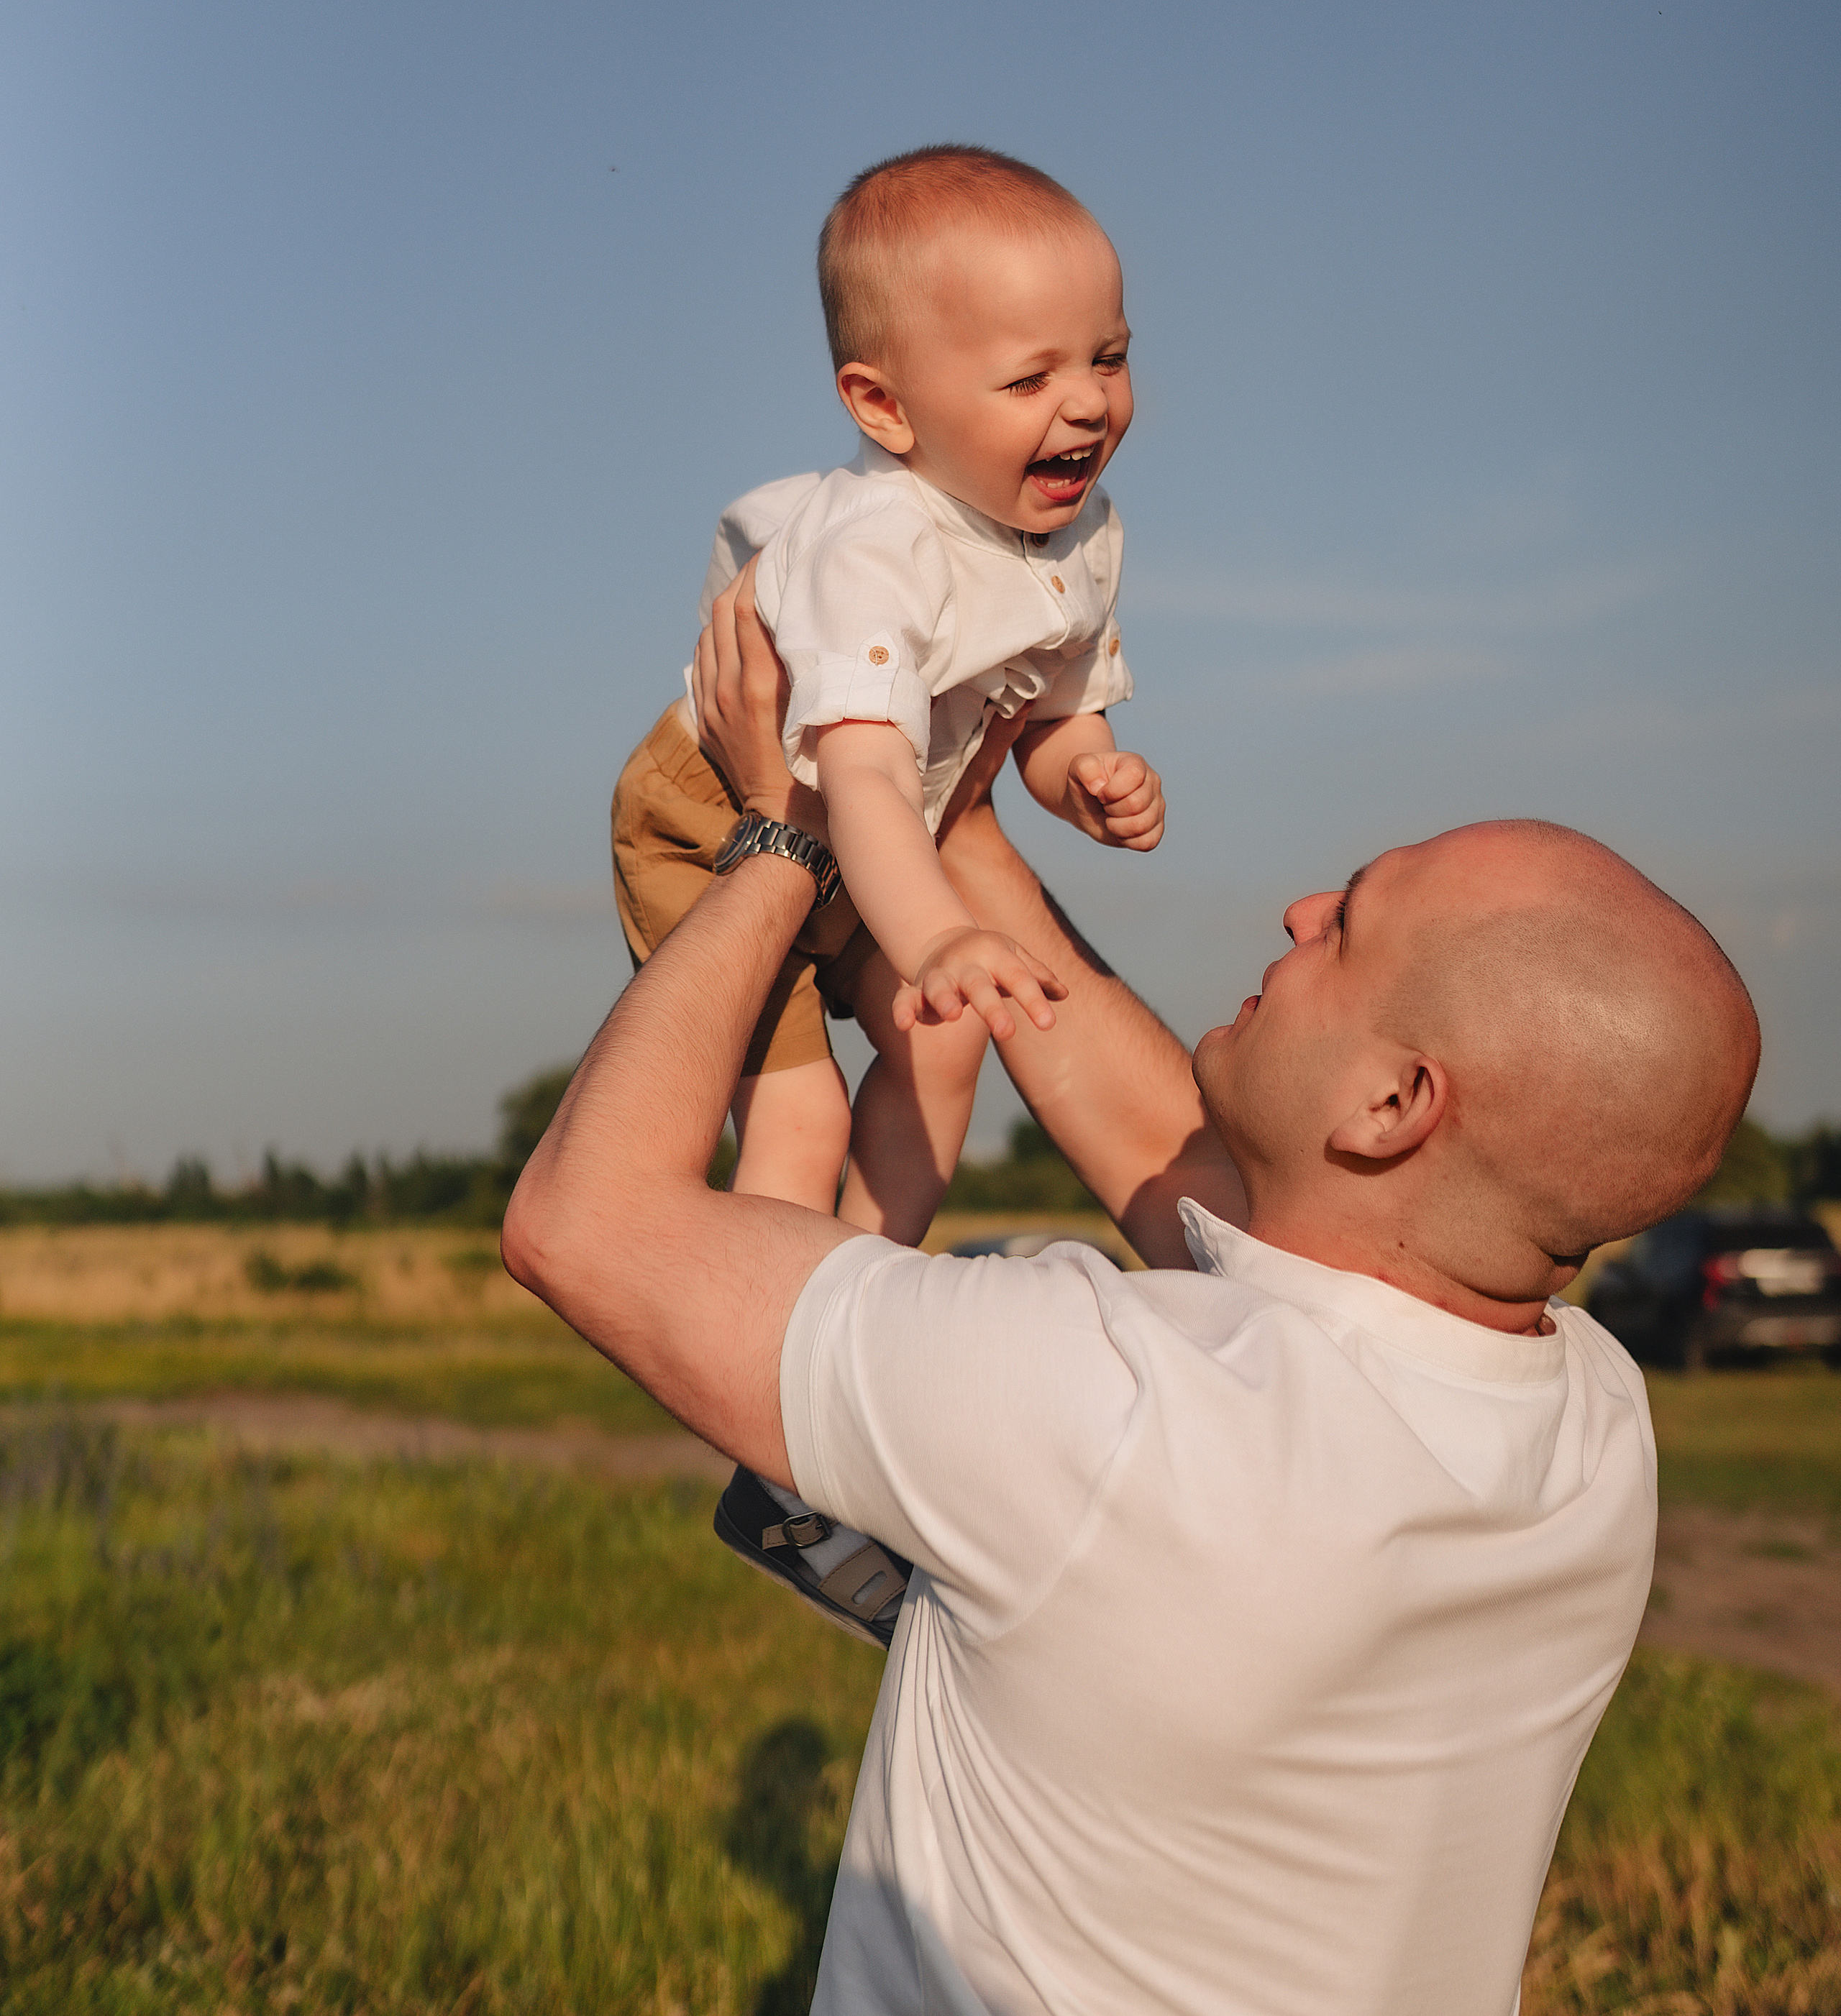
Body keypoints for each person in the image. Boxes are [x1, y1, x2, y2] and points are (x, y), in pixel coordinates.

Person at [505, 577, 1760, 2016]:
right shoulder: (1592, 1431)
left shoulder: (1106, 1405)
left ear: (1394, 1097)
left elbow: (581, 1219)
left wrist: (787, 827)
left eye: (1345, 923)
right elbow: (1206, 1166)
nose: (1296, 907)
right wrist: (937, 791)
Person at [611, 142, 1163, 1257]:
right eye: (1030, 379)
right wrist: (943, 934)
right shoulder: (878, 544)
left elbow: (1052, 718)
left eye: (1108, 358)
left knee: (947, 1040)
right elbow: (856, 773)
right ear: (885, 406)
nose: (1088, 405)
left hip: (886, 836)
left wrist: (1086, 779)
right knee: (802, 1115)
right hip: (719, 816)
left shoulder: (1083, 534)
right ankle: (763, 1344)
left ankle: (871, 1281)